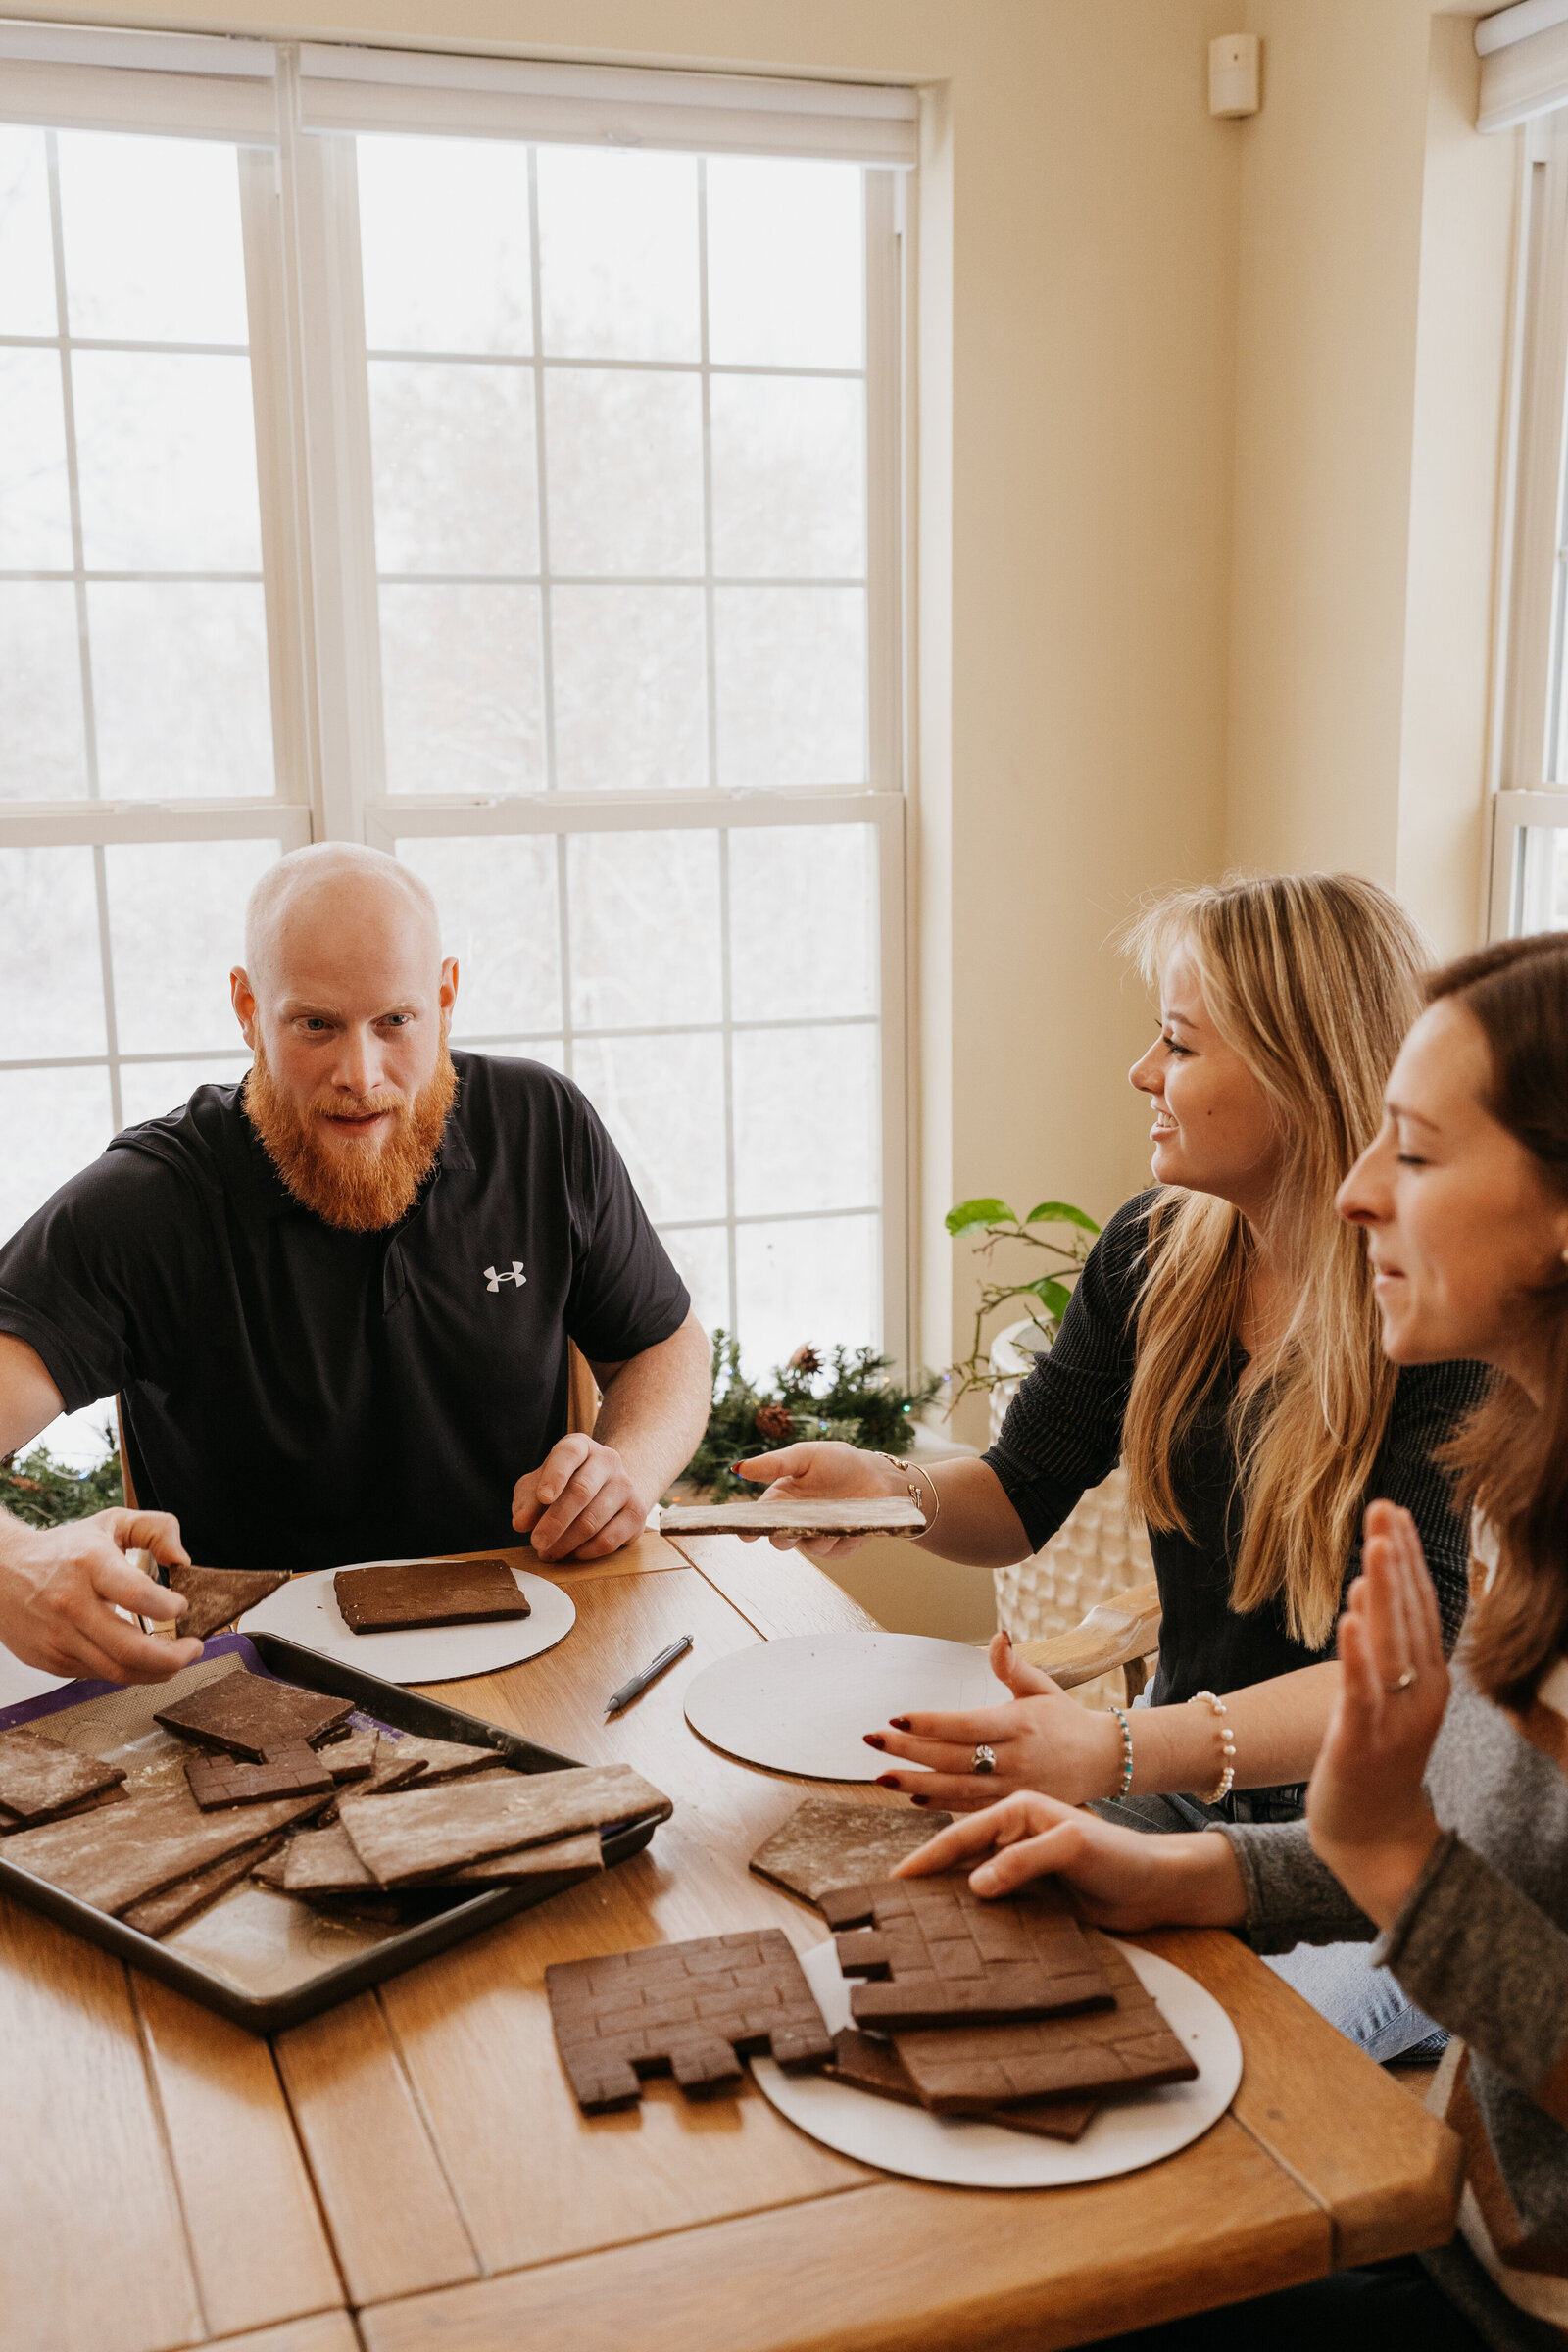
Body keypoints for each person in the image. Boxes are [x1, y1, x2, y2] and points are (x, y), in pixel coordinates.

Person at [900, 931, 1568, 2351]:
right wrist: (1172, 1870)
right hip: (1461, 2231)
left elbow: (1421, 1864)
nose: (1356, 1192)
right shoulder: (1540, 1494)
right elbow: (1476, 1853)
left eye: (1422, 1156)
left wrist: (1367, 1849)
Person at [739, 872, 1488, 2061]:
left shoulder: (1434, 1320)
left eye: (1179, 1043)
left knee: (1180, 2068)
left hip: (1371, 1866)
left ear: (1301, 1068)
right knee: (928, 1974)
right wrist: (892, 1490)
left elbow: (1395, 1681)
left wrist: (1120, 1750)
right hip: (1179, 1795)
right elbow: (1015, 1495)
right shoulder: (1154, 1248)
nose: (1142, 1070)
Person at [0, 843, 710, 1686]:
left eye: (396, 1022)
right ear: (247, 1008)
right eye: (315, 1025)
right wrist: (11, 1562)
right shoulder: (146, 1204)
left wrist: (627, 1466)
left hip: (541, 1639)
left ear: (444, 999)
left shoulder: (542, 1125)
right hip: (253, 1678)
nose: (360, 1076)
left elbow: (664, 1346)